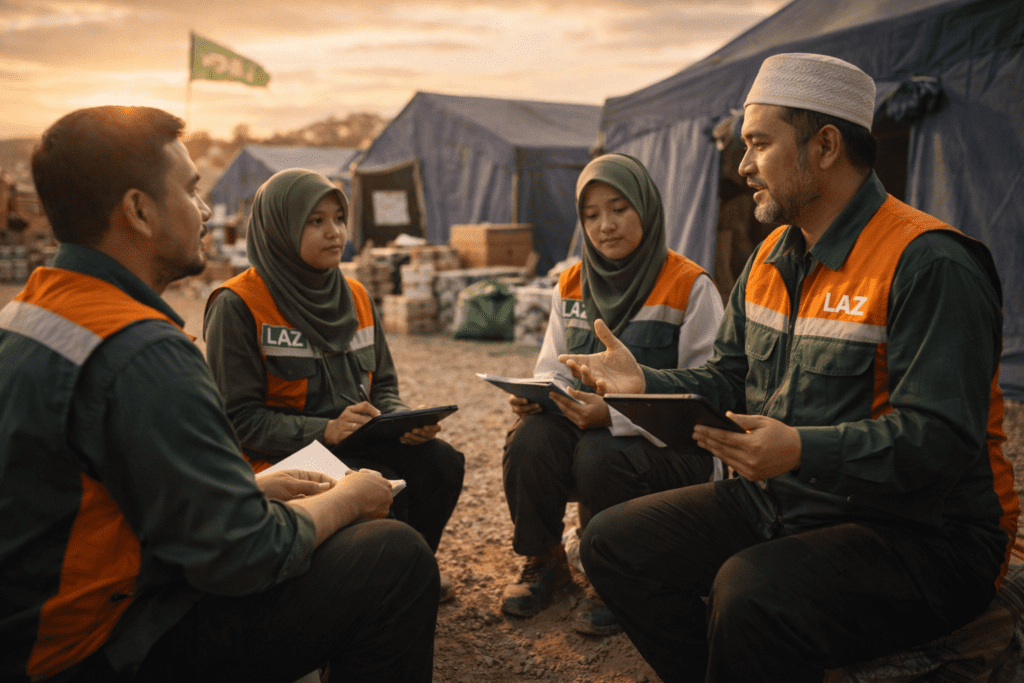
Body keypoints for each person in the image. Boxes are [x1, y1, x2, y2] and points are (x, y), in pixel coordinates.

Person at [561, 54, 1020, 682]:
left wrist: (801, 451)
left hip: (926, 536)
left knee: (748, 591)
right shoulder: (771, 256)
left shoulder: (929, 263)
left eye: (758, 144)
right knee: (611, 544)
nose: (743, 165)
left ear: (825, 146)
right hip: (790, 500)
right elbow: (728, 378)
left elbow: (939, 444)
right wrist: (646, 382)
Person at [0, 106, 438, 683]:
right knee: (393, 555)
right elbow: (245, 557)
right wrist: (350, 500)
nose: (206, 211)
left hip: (37, 624)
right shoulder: (143, 352)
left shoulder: (28, 312)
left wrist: (251, 490)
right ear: (138, 211)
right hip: (95, 649)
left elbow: (108, 491)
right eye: (191, 190)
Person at [203, 168, 465, 601]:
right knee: (382, 485)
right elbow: (236, 422)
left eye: (339, 219)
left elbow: (382, 384)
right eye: (315, 221)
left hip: (356, 441)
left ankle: (412, 569)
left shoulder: (357, 295)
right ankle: (374, 595)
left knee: (440, 462)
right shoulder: (239, 304)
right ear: (280, 228)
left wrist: (400, 419)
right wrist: (323, 430)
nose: (334, 232)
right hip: (279, 459)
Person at [499, 153, 724, 634]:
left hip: (674, 452)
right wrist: (535, 396)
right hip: (587, 433)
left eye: (619, 208)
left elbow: (710, 397)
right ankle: (547, 562)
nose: (606, 225)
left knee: (604, 451)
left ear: (646, 208)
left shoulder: (690, 286)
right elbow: (552, 366)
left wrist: (615, 416)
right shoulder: (572, 282)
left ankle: (615, 575)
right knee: (530, 438)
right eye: (591, 214)